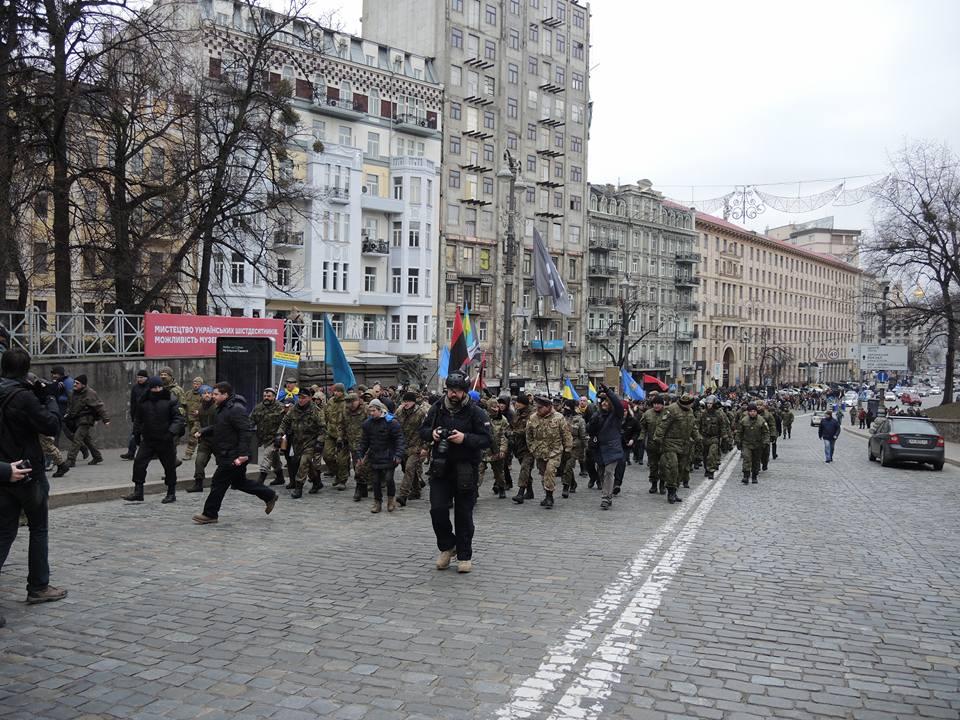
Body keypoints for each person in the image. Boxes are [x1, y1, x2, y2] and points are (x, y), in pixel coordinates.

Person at [0, 347, 68, 623]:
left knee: (4, 534)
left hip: (3, 474)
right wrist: (49, 397)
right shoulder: (24, 397)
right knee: (38, 528)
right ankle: (39, 585)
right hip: (28, 472)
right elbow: (51, 425)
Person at [418, 372, 492, 573]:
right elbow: (422, 430)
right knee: (438, 510)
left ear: (464, 392)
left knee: (463, 514)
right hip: (441, 467)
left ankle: (465, 554)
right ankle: (447, 546)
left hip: (466, 468)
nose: (453, 394)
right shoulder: (437, 408)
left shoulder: (476, 412)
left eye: (457, 391)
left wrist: (465, 438)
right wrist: (432, 434)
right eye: (451, 390)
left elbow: (487, 439)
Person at [192, 382, 278, 524]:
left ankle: (210, 514)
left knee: (218, 482)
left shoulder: (236, 409)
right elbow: (221, 426)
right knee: (240, 483)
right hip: (227, 452)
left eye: (216, 394)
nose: (213, 396)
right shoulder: (222, 408)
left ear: (225, 395)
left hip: (234, 455)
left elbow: (245, 432)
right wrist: (204, 431)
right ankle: (269, 495)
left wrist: (243, 455)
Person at [123, 376, 186, 503]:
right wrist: (136, 434)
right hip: (148, 439)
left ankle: (171, 493)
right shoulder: (144, 400)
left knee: (169, 467)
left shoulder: (171, 399)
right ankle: (138, 491)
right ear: (150, 388)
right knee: (139, 464)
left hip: (165, 439)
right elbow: (138, 419)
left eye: (159, 387)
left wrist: (171, 432)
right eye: (154, 388)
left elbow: (178, 419)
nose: (157, 390)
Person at [356, 398, 405, 513]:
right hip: (375, 456)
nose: (371, 414)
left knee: (388, 479)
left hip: (390, 456)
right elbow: (364, 441)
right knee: (376, 481)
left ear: (380, 410)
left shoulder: (391, 422)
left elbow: (399, 439)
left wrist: (398, 454)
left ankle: (391, 499)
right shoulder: (368, 424)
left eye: (373, 411)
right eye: (370, 411)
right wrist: (360, 455)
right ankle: (377, 502)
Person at [525, 395, 572, 510]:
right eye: (537, 407)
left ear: (548, 407)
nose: (538, 410)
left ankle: (550, 497)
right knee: (543, 474)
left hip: (554, 451)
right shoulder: (533, 418)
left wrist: (567, 449)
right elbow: (528, 436)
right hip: (540, 451)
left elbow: (566, 435)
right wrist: (532, 448)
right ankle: (546, 495)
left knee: (550, 472)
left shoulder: (559, 417)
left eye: (540, 408)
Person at [652, 393, 701, 504]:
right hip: (670, 443)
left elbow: (693, 426)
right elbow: (662, 425)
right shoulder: (672, 409)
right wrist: (658, 439)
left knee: (680, 468)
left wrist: (697, 437)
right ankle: (670, 491)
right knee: (672, 466)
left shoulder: (690, 412)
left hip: (684, 444)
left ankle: (675, 489)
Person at [278, 387, 325, 499]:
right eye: (299, 397)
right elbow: (285, 422)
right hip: (297, 442)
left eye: (303, 398)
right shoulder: (294, 409)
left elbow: (322, 428)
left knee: (304, 463)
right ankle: (316, 482)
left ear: (309, 398)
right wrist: (279, 434)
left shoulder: (316, 411)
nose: (301, 400)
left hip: (310, 442)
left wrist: (320, 442)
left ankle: (298, 487)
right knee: (306, 464)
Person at [586, 385, 624, 511]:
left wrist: (609, 392)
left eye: (607, 401)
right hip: (599, 449)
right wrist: (592, 422)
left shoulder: (616, 415)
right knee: (602, 473)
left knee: (609, 472)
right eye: (603, 401)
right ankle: (607, 494)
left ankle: (606, 497)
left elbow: (618, 404)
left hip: (612, 448)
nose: (605, 404)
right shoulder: (597, 415)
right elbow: (590, 431)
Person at [63, 374, 110, 467]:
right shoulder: (73, 393)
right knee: (87, 440)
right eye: (74, 382)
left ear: (83, 385)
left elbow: (99, 406)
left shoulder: (90, 393)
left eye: (77, 383)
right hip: (76, 419)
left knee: (77, 439)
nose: (74, 384)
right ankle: (97, 456)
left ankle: (71, 460)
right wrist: (67, 414)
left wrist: (106, 420)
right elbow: (70, 405)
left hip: (85, 420)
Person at [396, 391, 427, 506]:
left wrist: (425, 447)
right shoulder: (399, 411)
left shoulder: (421, 413)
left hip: (416, 446)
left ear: (414, 402)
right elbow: (395, 425)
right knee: (407, 470)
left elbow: (426, 430)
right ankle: (416, 490)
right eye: (405, 401)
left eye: (409, 401)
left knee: (409, 467)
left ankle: (403, 495)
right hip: (403, 446)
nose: (406, 403)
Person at [250, 387, 286, 486]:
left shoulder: (280, 407)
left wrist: (282, 436)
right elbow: (251, 420)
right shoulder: (258, 407)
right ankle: (280, 478)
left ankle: (260, 480)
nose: (266, 398)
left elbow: (286, 422)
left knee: (267, 456)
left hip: (276, 438)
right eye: (264, 396)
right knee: (274, 459)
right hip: (264, 438)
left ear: (274, 397)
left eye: (269, 396)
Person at [189, 385, 217, 493]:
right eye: (205, 393)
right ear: (201, 395)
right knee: (199, 461)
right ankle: (198, 484)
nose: (207, 395)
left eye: (209, 393)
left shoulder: (216, 407)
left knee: (225, 462)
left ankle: (234, 480)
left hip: (217, 440)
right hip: (205, 440)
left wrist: (201, 431)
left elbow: (216, 425)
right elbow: (200, 422)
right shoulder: (200, 408)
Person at [480, 398, 510, 499]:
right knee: (478, 471)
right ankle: (474, 491)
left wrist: (502, 450)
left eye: (497, 407)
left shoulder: (503, 420)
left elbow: (504, 436)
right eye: (493, 408)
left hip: (496, 450)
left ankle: (501, 488)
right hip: (483, 450)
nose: (495, 409)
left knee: (498, 473)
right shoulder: (481, 417)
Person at [322, 383, 350, 490]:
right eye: (335, 391)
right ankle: (337, 474)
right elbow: (325, 415)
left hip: (343, 434)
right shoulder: (330, 401)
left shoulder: (346, 402)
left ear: (343, 392)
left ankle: (342, 480)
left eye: (338, 391)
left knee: (342, 459)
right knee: (327, 455)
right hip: (330, 433)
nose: (336, 393)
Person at [638, 394, 667, 494]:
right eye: (655, 403)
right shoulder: (647, 414)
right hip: (652, 444)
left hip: (665, 445)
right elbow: (643, 427)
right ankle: (654, 484)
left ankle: (662, 485)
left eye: (658, 404)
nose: (656, 406)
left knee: (664, 465)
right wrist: (642, 437)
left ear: (662, 405)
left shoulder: (668, 413)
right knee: (653, 466)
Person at [735, 403, 769, 484]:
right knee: (746, 458)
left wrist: (765, 442)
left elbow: (766, 432)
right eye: (751, 411)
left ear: (756, 412)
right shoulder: (744, 420)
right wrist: (738, 441)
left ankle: (754, 476)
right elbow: (739, 432)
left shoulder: (761, 420)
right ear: (748, 412)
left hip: (758, 444)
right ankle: (746, 476)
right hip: (746, 443)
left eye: (754, 411)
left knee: (756, 460)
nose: (752, 413)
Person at [120, 370, 149, 460]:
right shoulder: (135, 388)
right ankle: (131, 453)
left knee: (149, 435)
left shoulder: (150, 386)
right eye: (138, 377)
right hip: (138, 415)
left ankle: (152, 452)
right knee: (134, 434)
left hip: (148, 415)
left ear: (146, 378)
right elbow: (133, 403)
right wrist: (133, 415)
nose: (139, 379)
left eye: (141, 377)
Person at [561, 399, 586, 499]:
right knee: (564, 467)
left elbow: (583, 436)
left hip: (575, 447)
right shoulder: (562, 418)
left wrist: (584, 449)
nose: (564, 408)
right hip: (563, 446)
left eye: (566, 406)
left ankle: (565, 487)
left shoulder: (580, 420)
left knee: (568, 466)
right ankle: (573, 483)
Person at [181, 377, 205, 462]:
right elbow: (183, 405)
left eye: (198, 384)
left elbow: (207, 406)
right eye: (194, 383)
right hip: (189, 418)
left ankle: (188, 453)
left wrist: (200, 411)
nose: (195, 385)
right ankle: (205, 450)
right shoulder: (188, 393)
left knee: (193, 435)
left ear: (201, 385)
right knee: (199, 436)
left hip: (198, 419)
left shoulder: (204, 394)